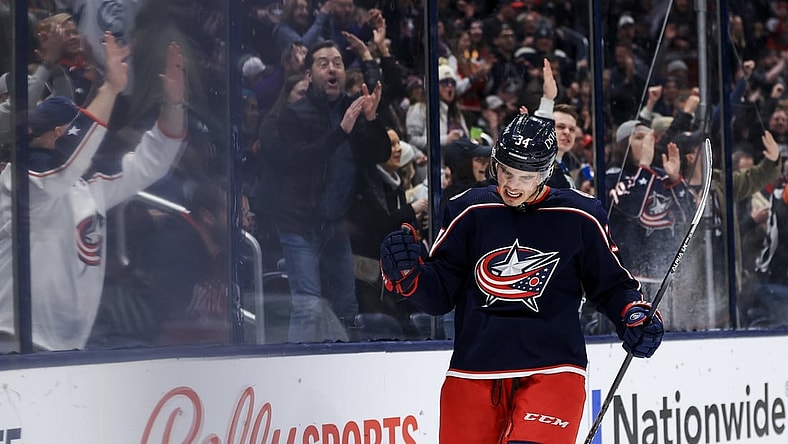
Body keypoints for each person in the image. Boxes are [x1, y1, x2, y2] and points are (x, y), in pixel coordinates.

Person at [379, 110, 663, 442]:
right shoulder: (468, 209)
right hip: (474, 371)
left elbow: (612, 285)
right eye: (506, 172)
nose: (512, 186)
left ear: (546, 173)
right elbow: (441, 292)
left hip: (553, 369)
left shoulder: (580, 215)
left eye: (525, 177)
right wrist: (408, 277)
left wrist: (633, 314)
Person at [0, 33, 187, 352]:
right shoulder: (18, 178)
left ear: (61, 132)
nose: (29, 134)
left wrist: (174, 103)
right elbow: (60, 170)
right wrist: (111, 88)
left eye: (39, 129)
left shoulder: (91, 185)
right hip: (13, 341)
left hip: (72, 347)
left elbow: (152, 160)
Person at [267, 40, 390, 342]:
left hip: (334, 223)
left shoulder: (355, 107)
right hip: (299, 222)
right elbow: (297, 160)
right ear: (309, 75)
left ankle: (342, 376)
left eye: (337, 62)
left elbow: (380, 153)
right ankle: (297, 370)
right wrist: (340, 133)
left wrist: (372, 120)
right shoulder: (294, 113)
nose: (333, 68)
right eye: (323, 63)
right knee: (308, 305)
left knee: (347, 306)